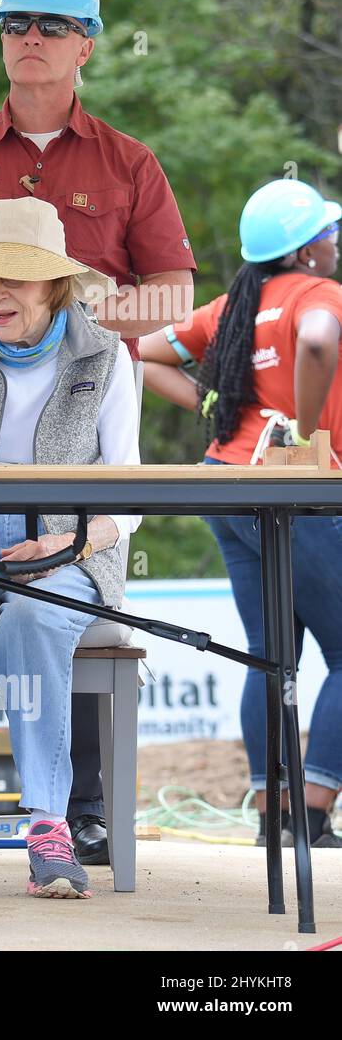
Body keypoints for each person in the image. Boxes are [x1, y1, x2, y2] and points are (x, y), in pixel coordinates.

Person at [0, 0, 196, 874]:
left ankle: (74, 818)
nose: (29, 40)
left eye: (51, 26)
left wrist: (71, 313)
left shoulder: (131, 162)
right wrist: (2, 304)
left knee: (46, 607)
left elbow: (173, 296)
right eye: (15, 25)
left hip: (79, 404)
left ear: (86, 46)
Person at [0, 196, 140, 899]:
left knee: (32, 617)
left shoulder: (107, 357)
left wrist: (68, 541)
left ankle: (48, 823)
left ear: (55, 285)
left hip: (70, 554)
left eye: (14, 278)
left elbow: (127, 500)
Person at [139, 179, 342, 848]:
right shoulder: (319, 296)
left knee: (270, 657)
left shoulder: (234, 304)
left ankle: (271, 813)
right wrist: (306, 440)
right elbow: (317, 340)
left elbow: (143, 355)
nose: (334, 245)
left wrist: (208, 404)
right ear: (307, 251)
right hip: (294, 492)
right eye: (328, 236)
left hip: (225, 481)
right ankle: (309, 817)